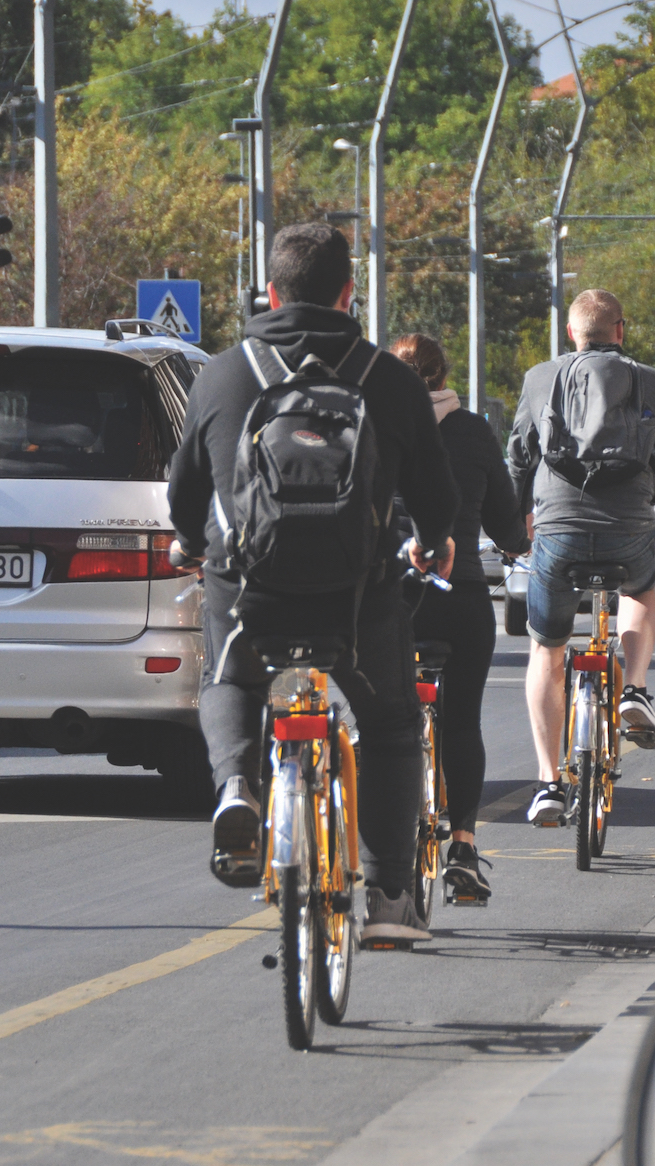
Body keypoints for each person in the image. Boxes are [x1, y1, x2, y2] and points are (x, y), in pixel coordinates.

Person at [167, 222, 455, 949]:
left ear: (270, 290)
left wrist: (188, 542)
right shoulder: (387, 378)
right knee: (390, 726)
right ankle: (390, 898)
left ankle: (237, 788)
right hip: (356, 595)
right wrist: (431, 543)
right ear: (348, 292)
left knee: (228, 681)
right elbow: (437, 497)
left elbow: (184, 488)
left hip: (250, 586)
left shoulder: (225, 374)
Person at [507, 289, 655, 827]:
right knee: (640, 592)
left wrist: (518, 526)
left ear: (572, 332)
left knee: (547, 651)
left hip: (559, 531)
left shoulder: (541, 378)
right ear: (621, 330)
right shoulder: (651, 380)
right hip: (629, 530)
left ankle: (548, 783)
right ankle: (633, 688)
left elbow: (519, 456)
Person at [391, 332, 527, 906]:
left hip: (397, 599)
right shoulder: (472, 431)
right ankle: (465, 848)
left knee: (388, 727)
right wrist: (516, 542)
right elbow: (506, 522)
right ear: (445, 377)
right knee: (462, 723)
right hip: (463, 597)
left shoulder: (378, 427)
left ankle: (386, 853)